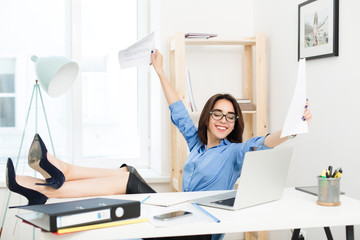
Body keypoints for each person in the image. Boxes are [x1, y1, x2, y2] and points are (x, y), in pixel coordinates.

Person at [6, 49, 311, 240]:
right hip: (178, 218)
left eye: (230, 117)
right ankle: (52, 178)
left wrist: (294, 127)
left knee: (127, 178)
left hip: (196, 232)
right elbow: (177, 107)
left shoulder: (234, 153)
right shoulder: (197, 145)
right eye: (217, 113)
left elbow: (264, 143)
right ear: (206, 117)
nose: (223, 120)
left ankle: (51, 183)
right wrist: (160, 70)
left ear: (234, 124)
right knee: (128, 171)